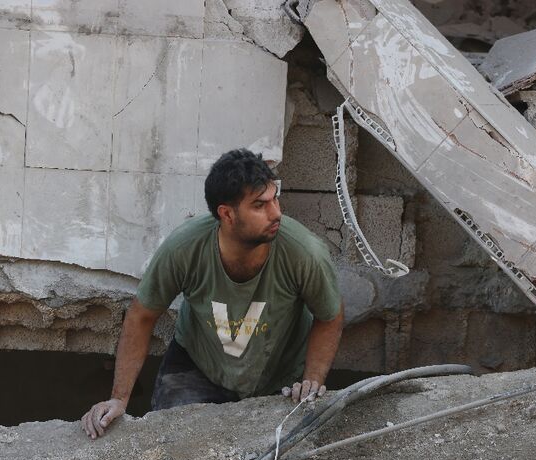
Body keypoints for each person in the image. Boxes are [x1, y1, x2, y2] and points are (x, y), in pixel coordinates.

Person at [81, 149, 345, 439]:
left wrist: (312, 379)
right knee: (170, 445)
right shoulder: (185, 248)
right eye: (259, 205)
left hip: (279, 374)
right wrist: (119, 398)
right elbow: (142, 315)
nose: (276, 213)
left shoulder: (304, 252)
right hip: (198, 366)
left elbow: (329, 315)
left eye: (274, 198)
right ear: (227, 214)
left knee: (276, 455)